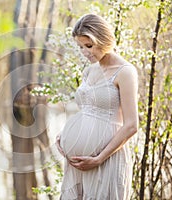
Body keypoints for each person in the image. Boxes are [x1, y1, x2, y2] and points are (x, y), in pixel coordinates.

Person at [56, 13, 138, 199]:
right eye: (80, 47)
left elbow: (132, 125)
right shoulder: (89, 71)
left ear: (103, 39)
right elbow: (88, 111)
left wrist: (98, 159)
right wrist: (67, 135)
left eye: (89, 46)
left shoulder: (125, 72)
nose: (85, 52)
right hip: (78, 165)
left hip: (106, 160)